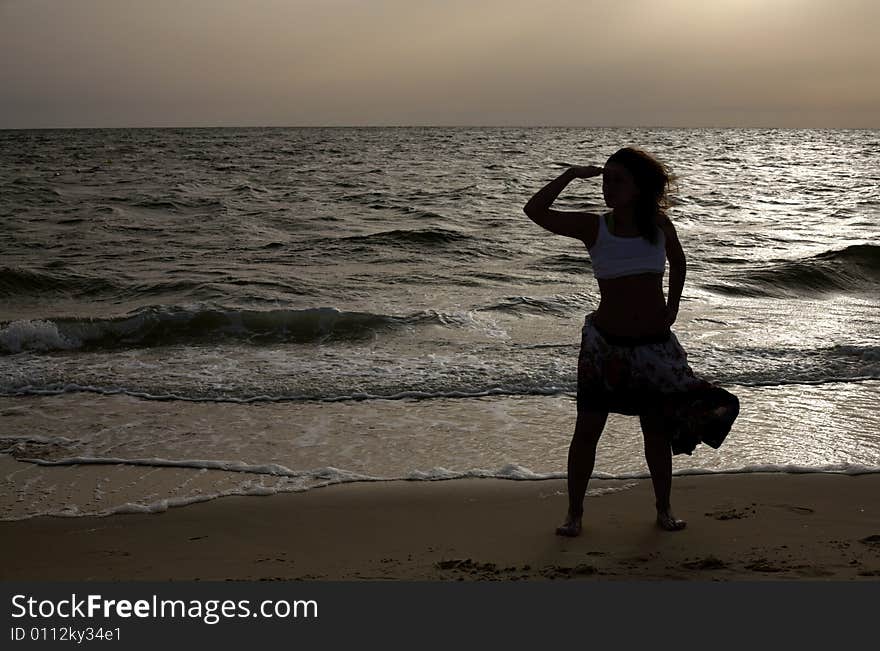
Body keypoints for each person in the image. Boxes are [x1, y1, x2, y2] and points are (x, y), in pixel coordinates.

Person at [523, 147, 739, 535]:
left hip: (652, 347)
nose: (608, 187)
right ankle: (574, 515)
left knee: (655, 431)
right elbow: (534, 211)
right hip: (604, 348)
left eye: (617, 180)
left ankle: (664, 510)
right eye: (605, 179)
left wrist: (672, 307)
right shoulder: (595, 227)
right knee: (588, 430)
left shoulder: (659, 226)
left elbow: (680, 261)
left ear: (639, 186)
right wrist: (571, 175)